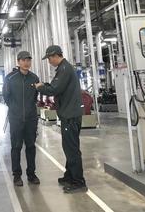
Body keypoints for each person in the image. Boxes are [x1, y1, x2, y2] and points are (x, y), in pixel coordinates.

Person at [34, 45, 87, 193]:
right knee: (69, 147)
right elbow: (57, 87)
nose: (49, 62)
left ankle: (78, 182)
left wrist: (40, 87)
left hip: (70, 116)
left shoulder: (64, 69)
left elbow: (54, 89)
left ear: (55, 56)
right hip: (69, 114)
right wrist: (46, 85)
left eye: (49, 59)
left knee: (71, 149)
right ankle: (69, 176)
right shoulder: (64, 68)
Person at [3, 51, 41, 187]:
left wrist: (30, 110)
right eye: (23, 60)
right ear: (18, 62)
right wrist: (15, 109)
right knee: (16, 147)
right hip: (16, 118)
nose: (26, 63)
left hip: (31, 119)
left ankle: (31, 174)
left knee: (31, 146)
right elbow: (6, 96)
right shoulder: (10, 78)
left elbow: (35, 97)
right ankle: (17, 175)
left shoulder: (34, 78)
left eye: (28, 60)